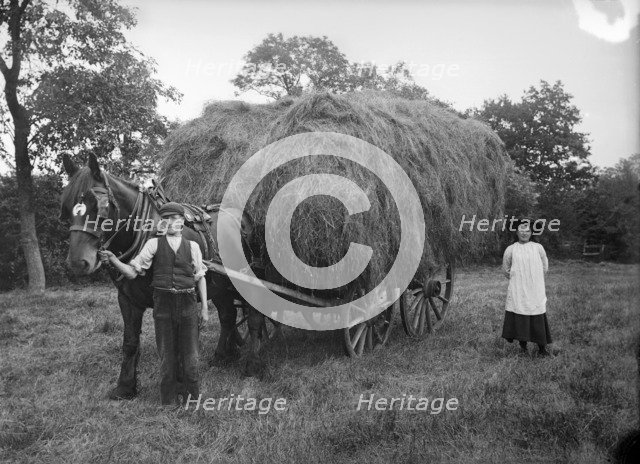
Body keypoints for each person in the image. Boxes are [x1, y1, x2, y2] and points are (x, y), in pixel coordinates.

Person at [99, 202, 209, 405]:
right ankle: (168, 400)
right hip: (163, 305)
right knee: (166, 355)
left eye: (179, 219)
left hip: (187, 303)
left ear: (183, 221)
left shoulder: (192, 247)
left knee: (191, 355)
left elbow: (200, 276)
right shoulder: (153, 245)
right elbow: (132, 272)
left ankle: (192, 398)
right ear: (163, 223)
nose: (175, 223)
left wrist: (204, 309)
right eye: (170, 219)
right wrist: (114, 259)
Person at [501, 219, 552, 356]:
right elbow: (506, 269)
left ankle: (542, 349)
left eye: (527, 230)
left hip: (535, 289)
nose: (524, 233)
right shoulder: (511, 249)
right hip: (518, 289)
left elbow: (544, 266)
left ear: (531, 232)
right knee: (520, 313)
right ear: (517, 232)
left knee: (537, 313)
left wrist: (534, 280)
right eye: (521, 230)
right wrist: (518, 279)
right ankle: (523, 347)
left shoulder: (538, 247)